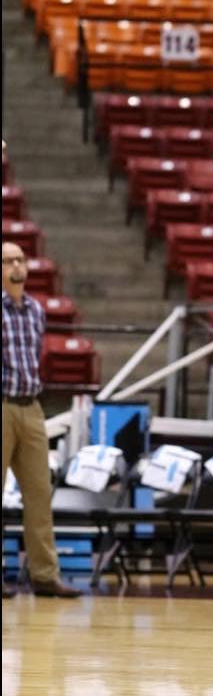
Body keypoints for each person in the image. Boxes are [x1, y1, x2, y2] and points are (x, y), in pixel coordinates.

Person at [2, 241, 82, 599]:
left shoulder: (35, 310)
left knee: (39, 493)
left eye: (20, 259)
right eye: (7, 261)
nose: (16, 266)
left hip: (31, 406)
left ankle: (45, 575)